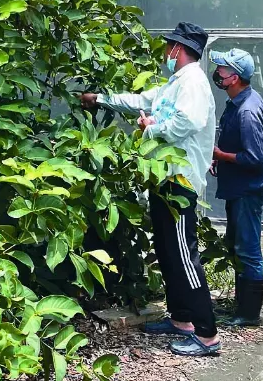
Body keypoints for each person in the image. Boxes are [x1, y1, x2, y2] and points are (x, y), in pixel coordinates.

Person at [80, 22, 220, 357]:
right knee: (169, 251)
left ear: (179, 49)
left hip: (180, 180)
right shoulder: (176, 82)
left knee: (184, 255)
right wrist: (100, 99)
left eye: (168, 47)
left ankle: (207, 334)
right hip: (162, 178)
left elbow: (188, 122)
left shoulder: (195, 83)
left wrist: (152, 129)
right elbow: (142, 100)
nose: (165, 52)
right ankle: (182, 320)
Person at [209, 48, 263, 327]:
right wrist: (221, 159)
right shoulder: (240, 100)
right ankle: (241, 306)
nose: (217, 74)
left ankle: (249, 314)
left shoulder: (247, 111)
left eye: (222, 70)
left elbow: (256, 158)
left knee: (248, 249)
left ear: (233, 78)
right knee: (238, 246)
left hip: (248, 190)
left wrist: (221, 155)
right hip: (239, 187)